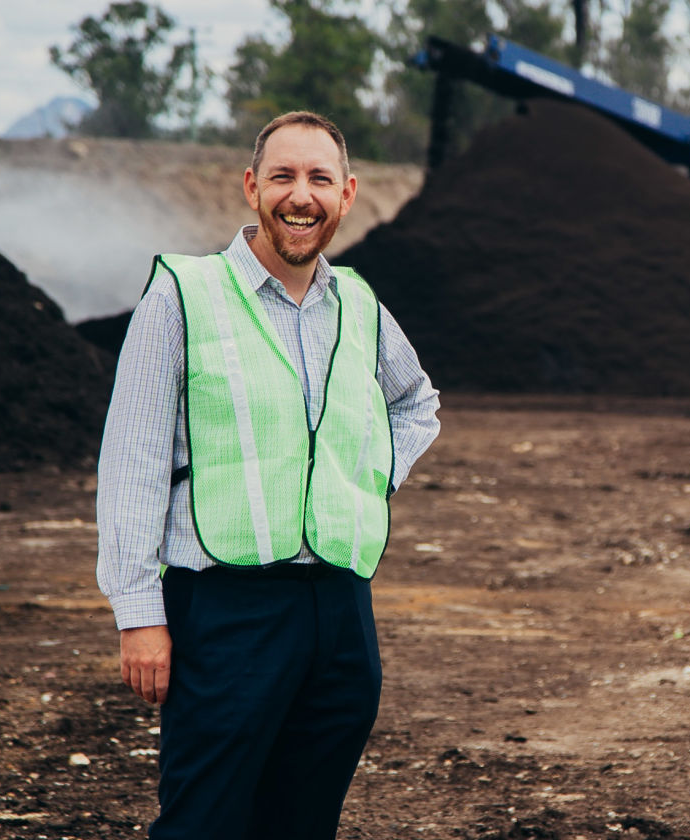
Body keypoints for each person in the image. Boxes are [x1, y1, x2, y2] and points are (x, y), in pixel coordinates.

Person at [95, 110, 441, 840]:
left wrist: (364, 481)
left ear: (348, 194)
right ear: (252, 186)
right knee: (204, 822)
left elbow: (416, 403)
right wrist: (138, 612)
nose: (301, 195)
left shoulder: (360, 306)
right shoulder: (182, 297)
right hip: (226, 611)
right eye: (283, 176)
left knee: (302, 823)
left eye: (320, 179)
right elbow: (132, 459)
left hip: (340, 615)